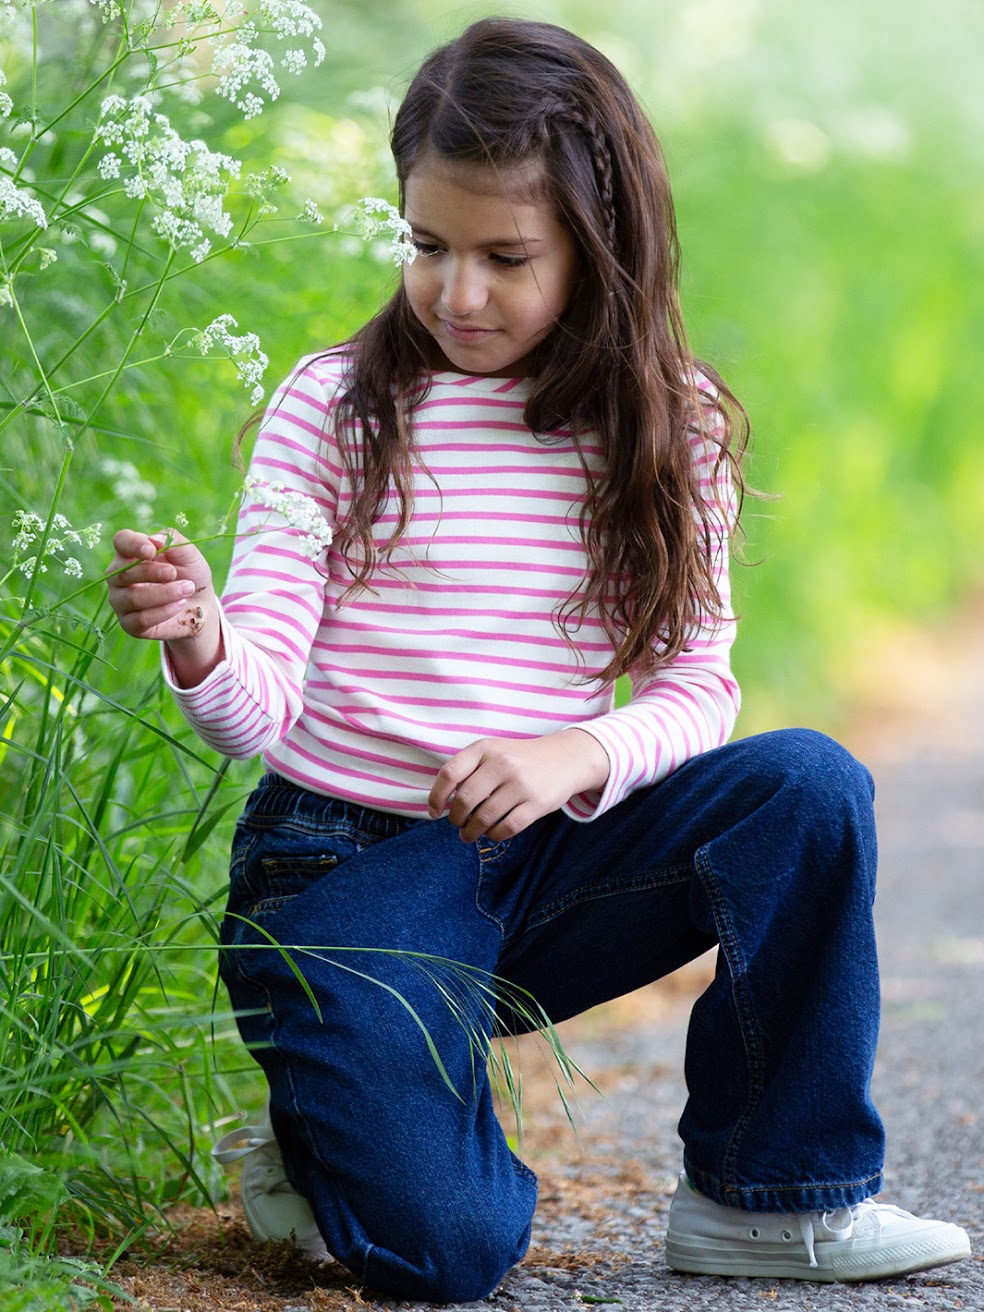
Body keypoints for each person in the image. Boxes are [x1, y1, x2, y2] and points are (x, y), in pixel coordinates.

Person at [106, 16, 971, 1303]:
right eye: (428, 245)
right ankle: (322, 1128)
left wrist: (577, 750)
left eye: (507, 256)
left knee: (804, 788)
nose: (458, 292)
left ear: (598, 245)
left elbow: (697, 688)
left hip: (553, 857)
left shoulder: (666, 426)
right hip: (347, 865)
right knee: (451, 1253)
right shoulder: (336, 407)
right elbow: (258, 708)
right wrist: (200, 636)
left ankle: (766, 1197)